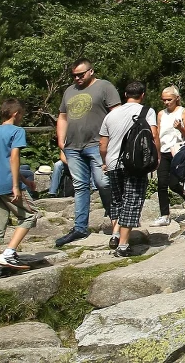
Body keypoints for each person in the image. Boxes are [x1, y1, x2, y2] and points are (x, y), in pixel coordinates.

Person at [55, 58, 121, 247]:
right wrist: (61, 141)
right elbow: (62, 116)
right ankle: (80, 228)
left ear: (91, 71)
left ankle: (117, 223)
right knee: (80, 186)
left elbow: (117, 114)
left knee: (103, 182)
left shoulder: (105, 87)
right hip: (73, 147)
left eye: (81, 74)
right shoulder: (69, 91)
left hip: (97, 145)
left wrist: (111, 142)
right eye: (74, 75)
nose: (77, 78)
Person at [98, 81, 158, 256]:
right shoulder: (147, 111)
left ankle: (115, 234)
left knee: (117, 200)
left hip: (113, 163)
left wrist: (105, 161)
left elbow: (102, 144)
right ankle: (123, 245)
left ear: (125, 95)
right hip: (135, 164)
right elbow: (153, 135)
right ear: (142, 95)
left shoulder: (111, 115)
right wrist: (156, 159)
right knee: (132, 200)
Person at [0, 99, 38, 282]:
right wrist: (16, 185)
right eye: (21, 114)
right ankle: (9, 252)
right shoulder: (17, 131)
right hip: (8, 184)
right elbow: (14, 158)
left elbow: (3, 160)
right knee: (30, 215)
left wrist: (25, 180)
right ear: (16, 114)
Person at [154, 86, 185, 226]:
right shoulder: (161, 114)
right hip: (164, 151)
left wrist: (180, 128)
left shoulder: (183, 112)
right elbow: (158, 133)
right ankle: (164, 215)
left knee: (174, 183)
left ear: (176, 98)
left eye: (169, 99)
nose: (166, 102)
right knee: (162, 183)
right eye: (164, 100)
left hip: (178, 151)